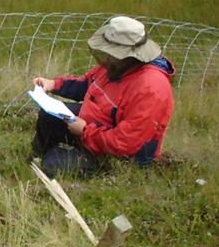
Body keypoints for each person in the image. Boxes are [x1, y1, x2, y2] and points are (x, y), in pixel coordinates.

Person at [31, 16, 175, 177]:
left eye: (112, 52)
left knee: (53, 164)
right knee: (47, 116)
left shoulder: (151, 88)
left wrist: (84, 131)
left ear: (129, 55)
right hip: (92, 126)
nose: (107, 57)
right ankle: (41, 155)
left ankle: (68, 159)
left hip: (121, 156)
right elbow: (87, 84)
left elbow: (127, 143)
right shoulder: (117, 66)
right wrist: (53, 84)